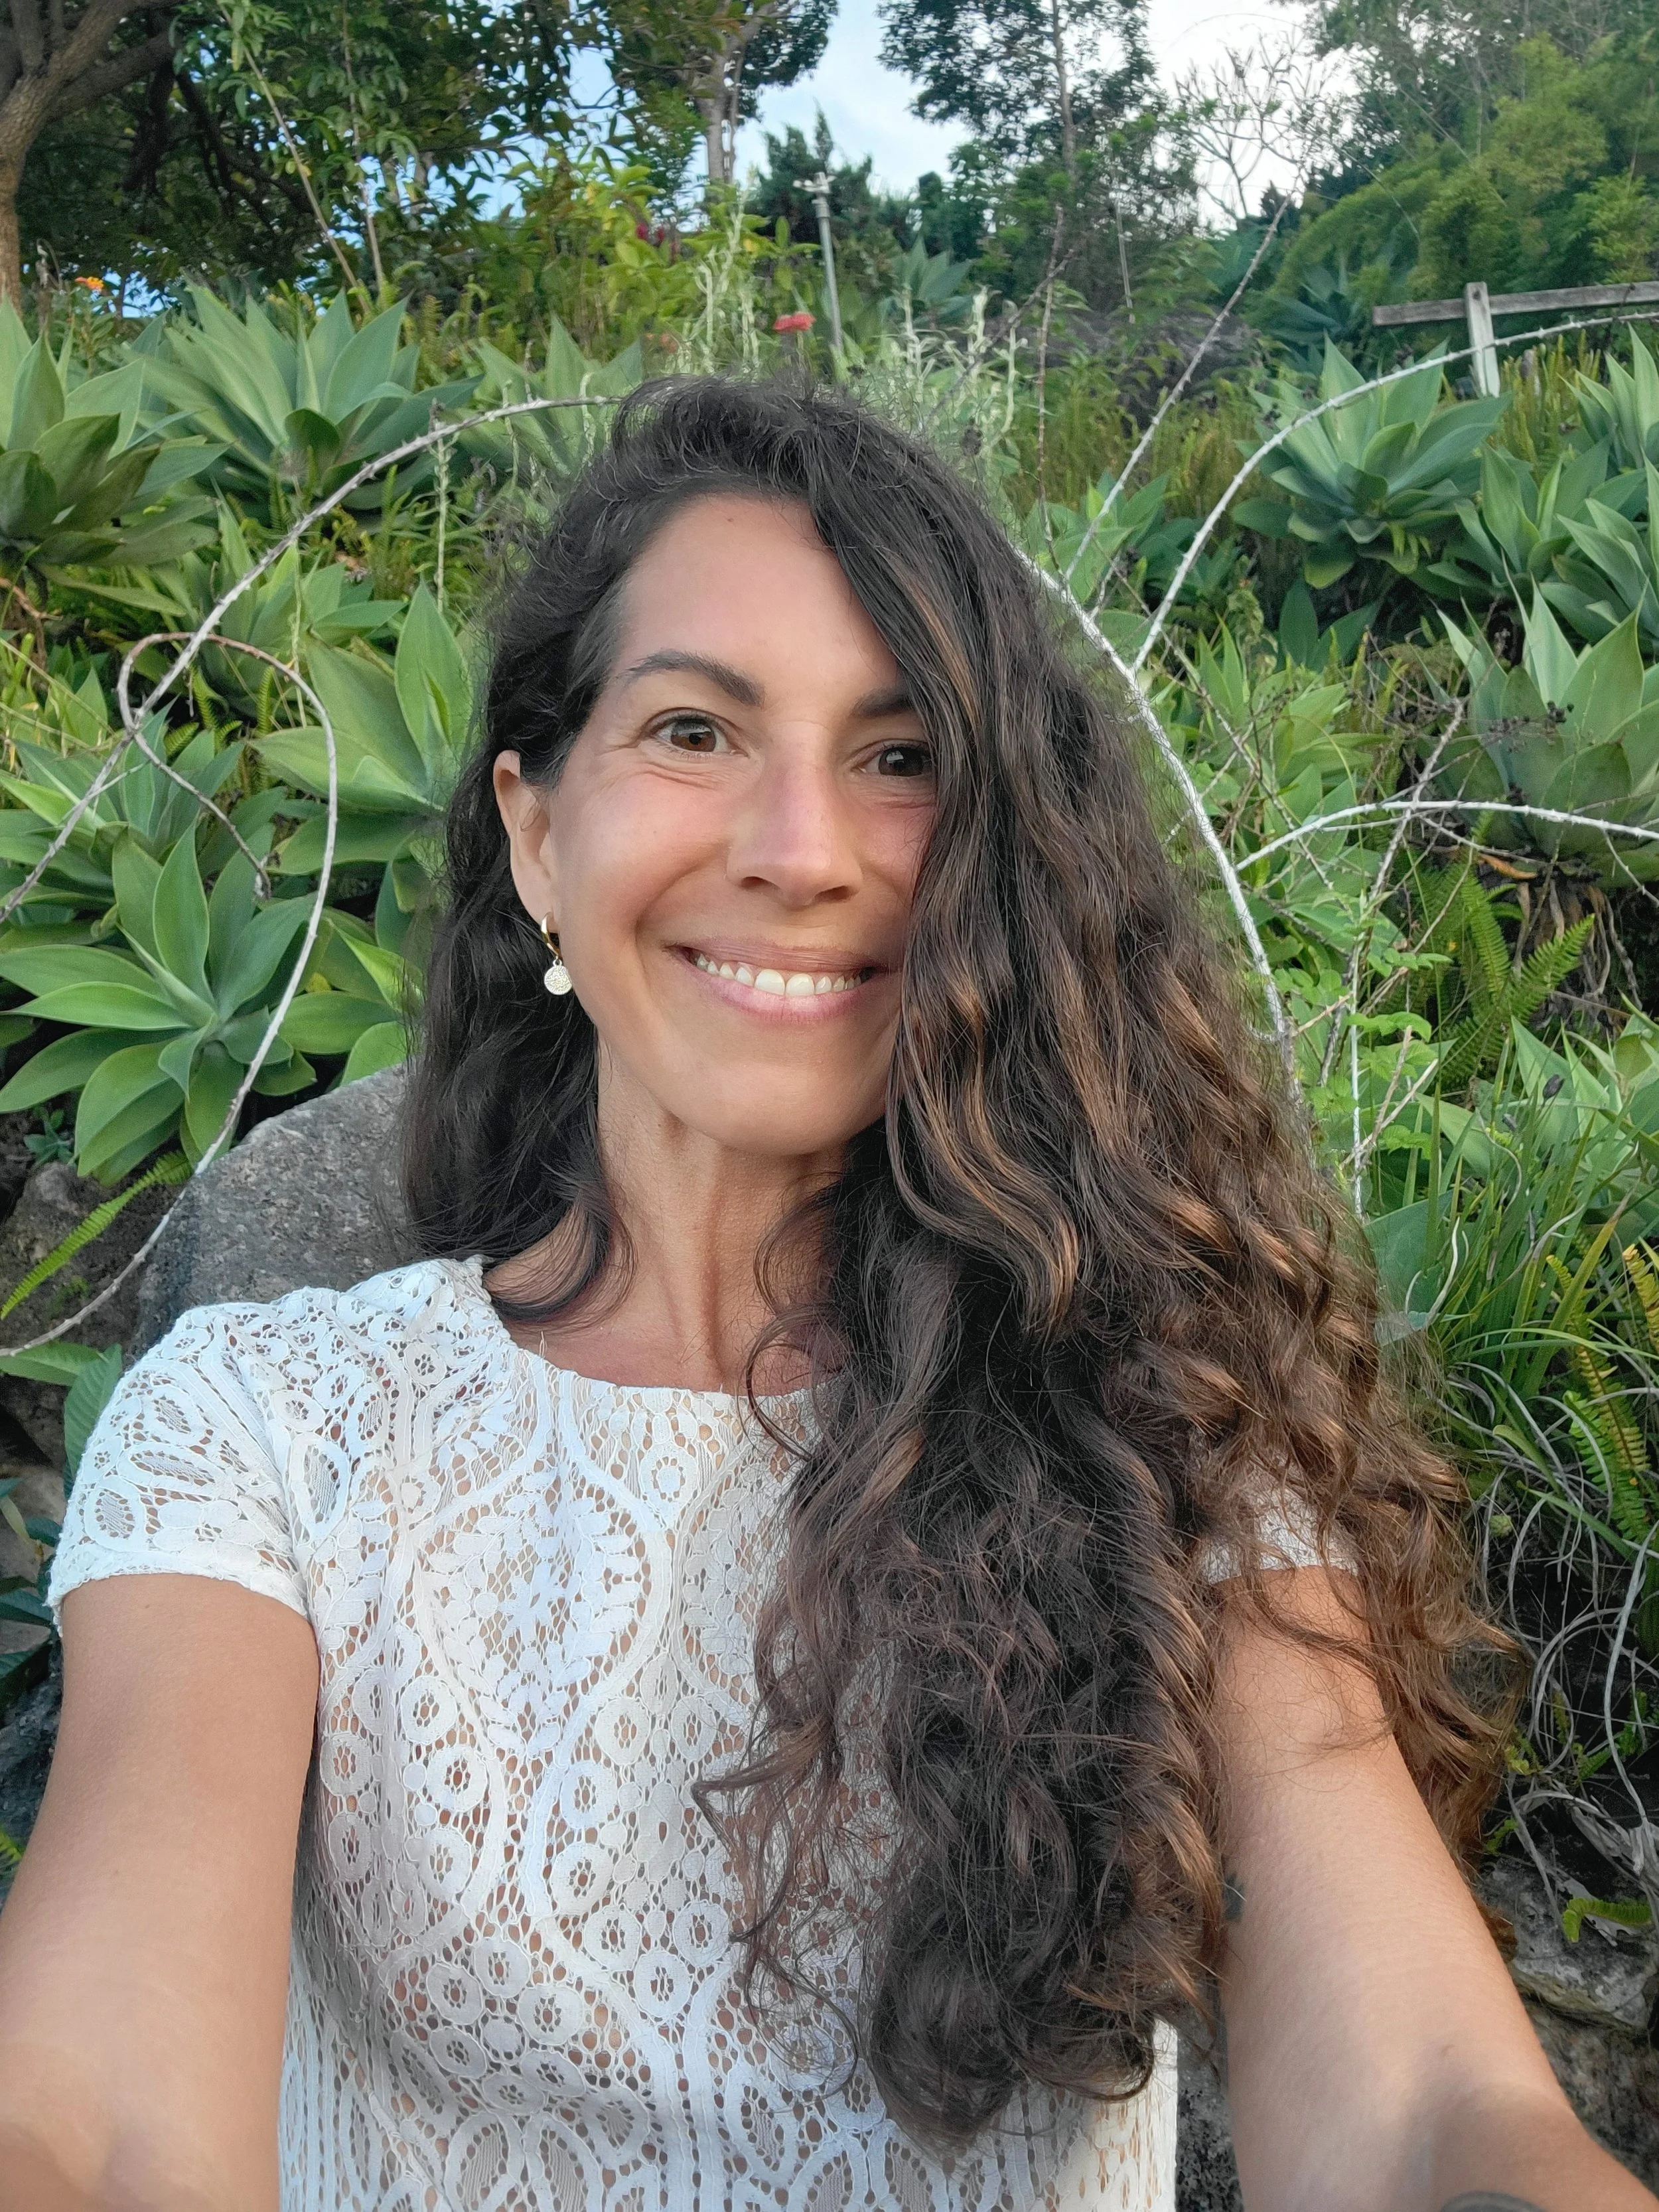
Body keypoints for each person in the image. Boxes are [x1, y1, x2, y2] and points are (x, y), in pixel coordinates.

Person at [0, 380, 1648, 2212]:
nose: (802, 846)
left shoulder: (1159, 1421)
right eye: (695, 728)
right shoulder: (269, 1426)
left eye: (900, 752)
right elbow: (99, 2096)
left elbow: (1422, 2100)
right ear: (537, 834)